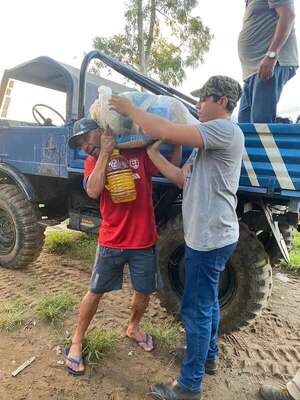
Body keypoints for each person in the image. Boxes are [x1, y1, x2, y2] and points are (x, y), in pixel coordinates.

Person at [110, 76, 244, 400]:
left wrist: (131, 110)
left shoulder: (223, 129)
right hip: (214, 236)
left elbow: (166, 130)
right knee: (207, 301)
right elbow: (182, 178)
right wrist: (155, 155)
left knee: (195, 309)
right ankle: (207, 357)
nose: (197, 104)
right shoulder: (209, 143)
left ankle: (188, 387)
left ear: (222, 102)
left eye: (203, 98)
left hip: (210, 238)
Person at [64, 118, 179, 375]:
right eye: (79, 143)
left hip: (143, 240)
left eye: (85, 138)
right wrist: (104, 151)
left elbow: (171, 161)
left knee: (143, 290)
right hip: (111, 241)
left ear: (101, 131)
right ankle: (76, 341)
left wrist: (174, 137)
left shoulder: (137, 153)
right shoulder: (93, 162)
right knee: (94, 292)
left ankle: (133, 327)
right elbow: (93, 191)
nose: (84, 146)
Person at [238, 0, 298, 123]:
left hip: (270, 63)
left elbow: (288, 15)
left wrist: (271, 55)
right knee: (244, 125)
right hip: (251, 72)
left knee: (260, 124)